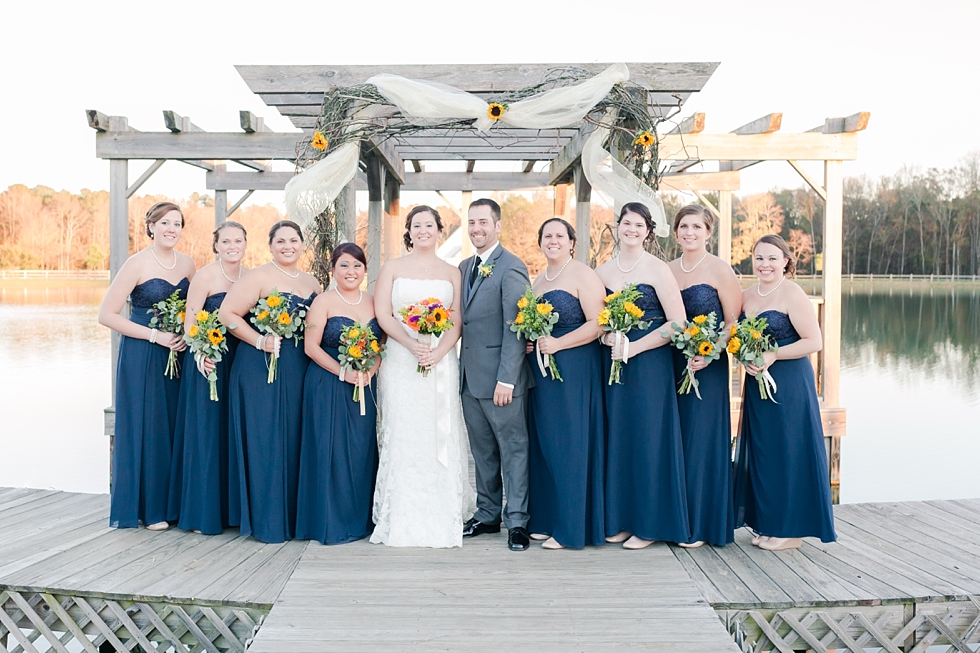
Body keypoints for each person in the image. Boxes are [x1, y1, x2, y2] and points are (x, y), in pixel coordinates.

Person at [370, 206, 476, 548]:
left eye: (430, 225)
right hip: (402, 360)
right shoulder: (392, 268)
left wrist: (438, 352)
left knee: (437, 432)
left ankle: (441, 509)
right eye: (417, 225)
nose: (423, 230)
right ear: (409, 231)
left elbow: (457, 319)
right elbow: (383, 314)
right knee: (404, 430)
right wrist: (412, 344)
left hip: (440, 361)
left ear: (439, 230)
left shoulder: (452, 272)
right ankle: (401, 512)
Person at [219, 220, 320, 544]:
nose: (287, 246)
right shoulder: (258, 276)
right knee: (266, 440)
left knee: (293, 438)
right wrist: (259, 340)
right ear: (271, 245)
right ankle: (267, 521)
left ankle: (293, 517)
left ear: (302, 244)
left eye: (293, 240)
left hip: (298, 369)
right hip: (261, 366)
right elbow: (227, 314)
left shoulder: (311, 280)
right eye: (281, 241)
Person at [596, 202, 690, 550]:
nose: (631, 229)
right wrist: (610, 337)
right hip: (615, 364)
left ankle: (648, 526)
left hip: (649, 364)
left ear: (648, 232)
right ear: (617, 227)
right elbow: (597, 320)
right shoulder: (602, 272)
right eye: (626, 223)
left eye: (639, 225)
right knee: (619, 437)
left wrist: (634, 348)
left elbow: (677, 322)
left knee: (648, 438)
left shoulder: (658, 269)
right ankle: (620, 519)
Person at [734, 234, 837, 551]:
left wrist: (773, 354)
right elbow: (738, 338)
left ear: (786, 262)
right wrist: (745, 357)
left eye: (772, 258)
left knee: (790, 452)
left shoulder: (792, 294)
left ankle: (791, 531)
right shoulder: (746, 295)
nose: (764, 264)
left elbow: (814, 342)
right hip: (757, 384)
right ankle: (768, 523)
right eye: (759, 258)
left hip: (790, 384)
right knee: (766, 454)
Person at [98, 201, 196, 530]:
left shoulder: (188, 263)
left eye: (177, 224)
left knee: (173, 426)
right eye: (164, 223)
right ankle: (149, 509)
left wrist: (186, 335)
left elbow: (194, 309)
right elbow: (107, 315)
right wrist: (156, 336)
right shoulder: (136, 263)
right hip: (142, 355)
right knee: (148, 426)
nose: (171, 229)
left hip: (177, 353)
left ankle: (174, 505)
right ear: (151, 226)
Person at [458, 199, 534, 552]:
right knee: (483, 452)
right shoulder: (463, 267)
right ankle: (488, 515)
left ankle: (517, 522)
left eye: (484, 222)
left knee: (513, 449)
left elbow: (516, 327)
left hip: (502, 382)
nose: (477, 228)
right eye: (472, 222)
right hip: (469, 380)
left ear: (498, 226)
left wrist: (508, 378)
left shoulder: (512, 267)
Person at [525, 218, 606, 550]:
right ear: (540, 242)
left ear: (572, 242)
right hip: (542, 370)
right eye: (547, 236)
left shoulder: (583, 274)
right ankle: (545, 518)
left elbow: (598, 325)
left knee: (569, 442)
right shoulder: (539, 280)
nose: (553, 240)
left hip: (573, 368)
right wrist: (530, 340)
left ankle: (571, 527)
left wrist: (559, 344)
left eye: (560, 235)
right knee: (545, 442)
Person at [295, 243, 382, 545]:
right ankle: (329, 522)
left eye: (357, 265)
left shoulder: (373, 301)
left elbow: (380, 346)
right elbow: (310, 347)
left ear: (364, 270)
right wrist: (343, 372)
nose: (351, 271)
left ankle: (359, 519)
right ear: (333, 269)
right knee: (330, 451)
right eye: (344, 265)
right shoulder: (324, 301)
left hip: (363, 385)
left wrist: (370, 370)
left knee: (360, 451)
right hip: (327, 383)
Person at [668, 204, 743, 548]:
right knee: (675, 441)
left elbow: (732, 323)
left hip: (708, 367)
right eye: (684, 226)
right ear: (676, 231)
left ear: (708, 232)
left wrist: (709, 351)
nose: (689, 232)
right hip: (671, 364)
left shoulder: (720, 270)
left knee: (700, 442)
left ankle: (700, 525)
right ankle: (673, 518)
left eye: (696, 227)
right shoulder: (667, 270)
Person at [167, 221, 248, 534]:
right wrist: (201, 354)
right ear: (216, 245)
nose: (231, 246)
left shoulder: (250, 275)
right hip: (209, 363)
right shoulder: (204, 276)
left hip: (239, 363)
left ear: (245, 245)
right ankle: (203, 513)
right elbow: (190, 323)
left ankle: (233, 511)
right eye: (225, 241)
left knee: (233, 432)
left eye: (237, 241)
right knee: (206, 434)